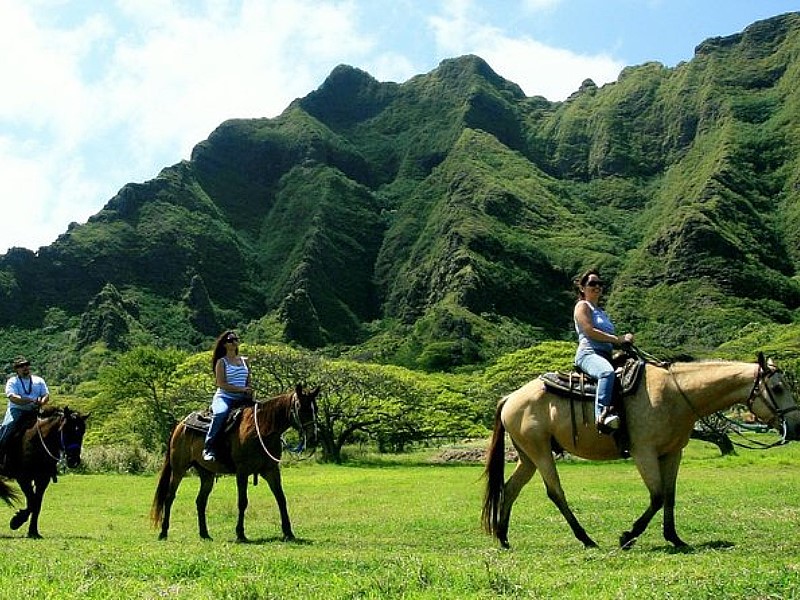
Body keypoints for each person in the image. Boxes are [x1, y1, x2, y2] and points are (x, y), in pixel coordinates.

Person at [573, 270, 633, 433]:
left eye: (600, 284)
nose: (597, 287)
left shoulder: (601, 312)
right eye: (592, 283)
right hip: (589, 353)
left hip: (606, 355)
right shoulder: (582, 306)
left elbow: (610, 338)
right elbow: (589, 331)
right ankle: (602, 415)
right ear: (582, 288)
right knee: (606, 373)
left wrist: (624, 341)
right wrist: (617, 340)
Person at [202, 331, 252, 462]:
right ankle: (208, 447)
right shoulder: (221, 362)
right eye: (231, 340)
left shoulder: (245, 361)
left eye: (236, 339)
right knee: (220, 414)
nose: (234, 342)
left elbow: (248, 380)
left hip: (243, 398)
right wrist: (241, 389)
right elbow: (221, 383)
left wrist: (248, 390)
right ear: (224, 344)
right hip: (225, 397)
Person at [0, 356, 50, 462]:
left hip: (35, 411)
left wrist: (42, 401)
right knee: (7, 427)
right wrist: (28, 400)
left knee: (53, 426)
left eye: (26, 364)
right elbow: (13, 397)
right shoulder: (12, 381)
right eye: (21, 366)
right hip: (17, 410)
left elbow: (46, 394)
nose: (25, 367)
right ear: (16, 369)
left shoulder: (39, 380)